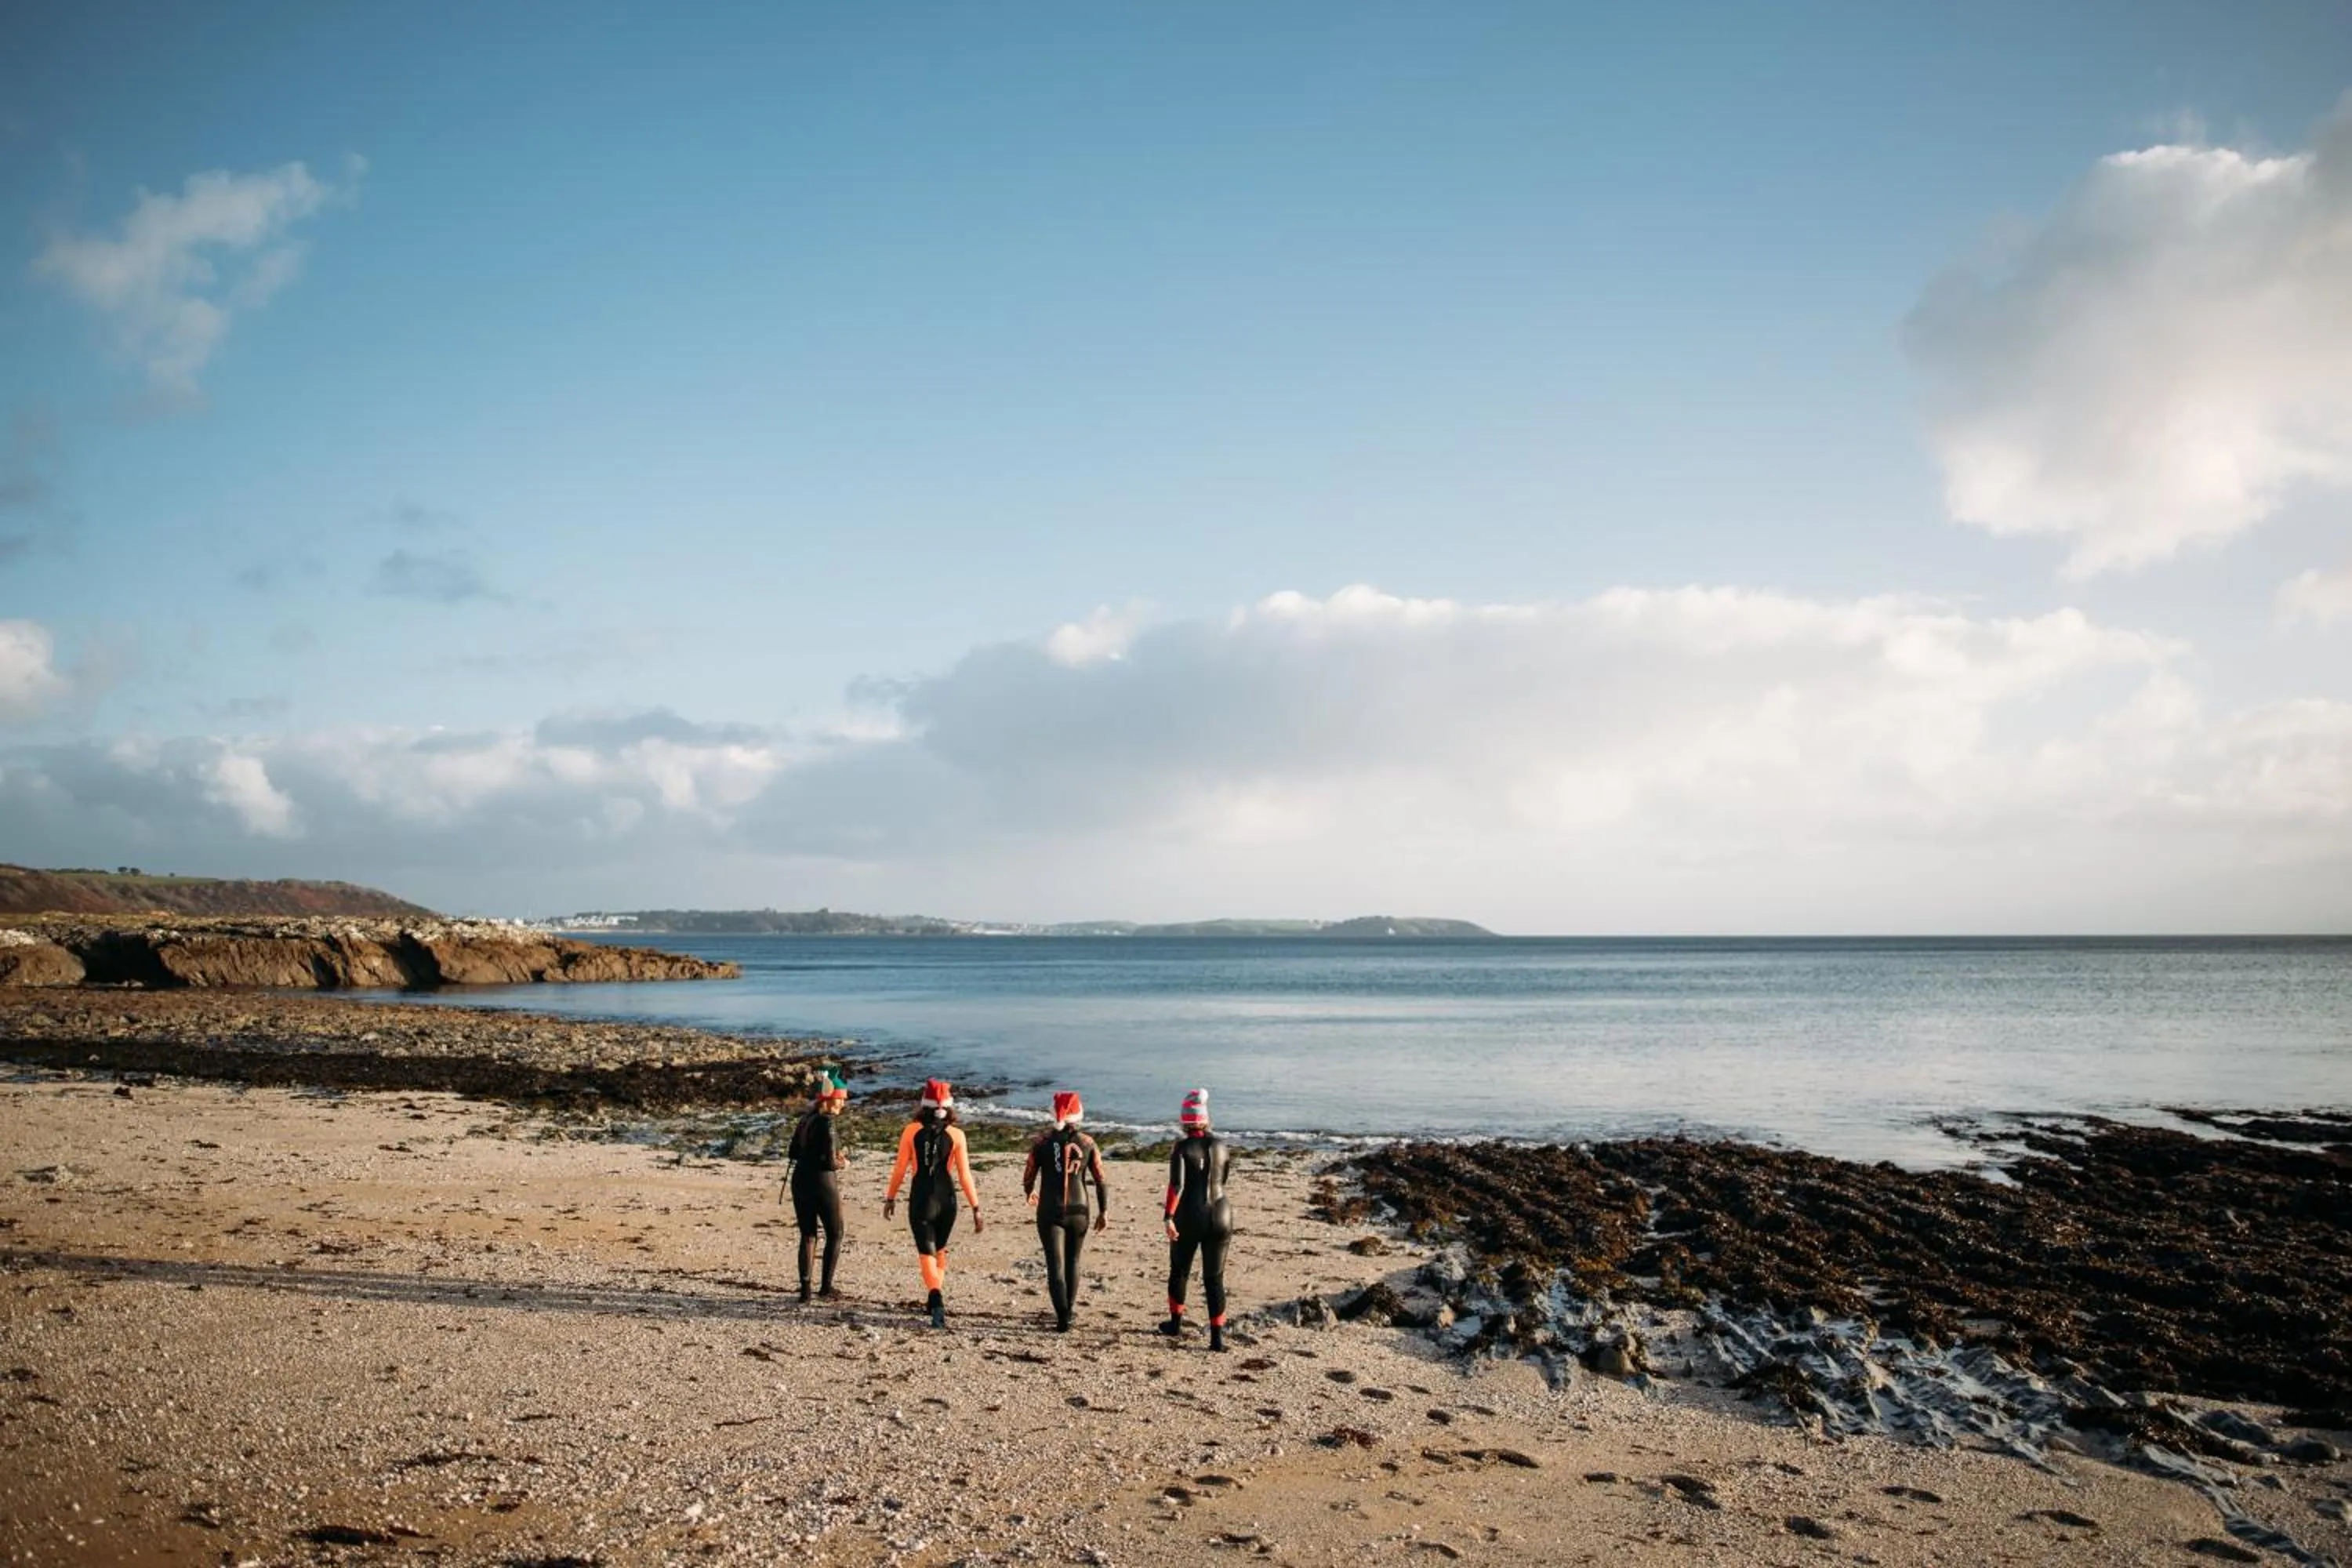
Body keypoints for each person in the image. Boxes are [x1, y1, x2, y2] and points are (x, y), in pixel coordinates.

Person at [884, 1079, 984, 1328]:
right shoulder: (957, 1135)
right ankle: (934, 1297)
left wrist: (891, 1197)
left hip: (921, 1198)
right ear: (948, 1106)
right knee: (940, 1250)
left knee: (925, 1252)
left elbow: (900, 1168)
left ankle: (936, 1297)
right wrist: (976, 1207)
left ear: (924, 1105)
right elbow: (964, 1175)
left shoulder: (911, 1131)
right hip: (947, 1199)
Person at [1022, 1091, 1109, 1332]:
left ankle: (1062, 1318)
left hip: (1050, 1209)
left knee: (1055, 1263)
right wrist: (1104, 1211)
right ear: (1079, 1115)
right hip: (1080, 1210)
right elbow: (1100, 1180)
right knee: (1074, 1260)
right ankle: (1069, 1311)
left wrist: (1028, 1192)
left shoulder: (1041, 1143)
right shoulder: (1089, 1143)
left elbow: (1029, 1174)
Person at [1160, 1087, 1235, 1352]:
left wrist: (1168, 1216)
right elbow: (1223, 1179)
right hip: (1221, 1214)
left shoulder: (1181, 1147)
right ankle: (1216, 1339)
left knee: (1180, 1270)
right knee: (1214, 1278)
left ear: (1184, 1120)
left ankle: (1175, 1325)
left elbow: (1176, 1186)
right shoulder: (1222, 1145)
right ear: (1206, 1118)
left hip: (1189, 1215)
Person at [783, 1069, 850, 1302]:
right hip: (822, 1182)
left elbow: (792, 1152)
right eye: (841, 1098)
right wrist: (842, 1163)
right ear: (829, 1098)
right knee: (836, 1232)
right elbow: (830, 1163)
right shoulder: (828, 1123)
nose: (843, 1103)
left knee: (808, 1235)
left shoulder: (806, 1118)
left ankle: (805, 1292)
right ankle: (826, 1288)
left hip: (800, 1179)